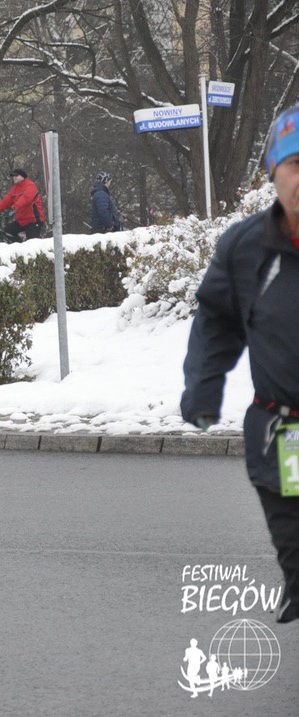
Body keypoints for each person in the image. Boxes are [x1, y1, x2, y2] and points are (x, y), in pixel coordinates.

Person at [181, 103, 299, 625]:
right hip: (287, 436)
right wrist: (203, 390)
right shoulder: (247, 249)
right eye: (296, 164)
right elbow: (217, 320)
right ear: (273, 172)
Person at [0, 168, 46, 242]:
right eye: (13, 176)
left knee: (32, 242)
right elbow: (6, 201)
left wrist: (14, 207)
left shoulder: (30, 185)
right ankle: (19, 246)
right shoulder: (15, 189)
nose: (14, 178)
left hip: (34, 219)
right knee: (7, 232)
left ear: (23, 176)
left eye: (16, 176)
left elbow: (26, 198)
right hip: (21, 220)